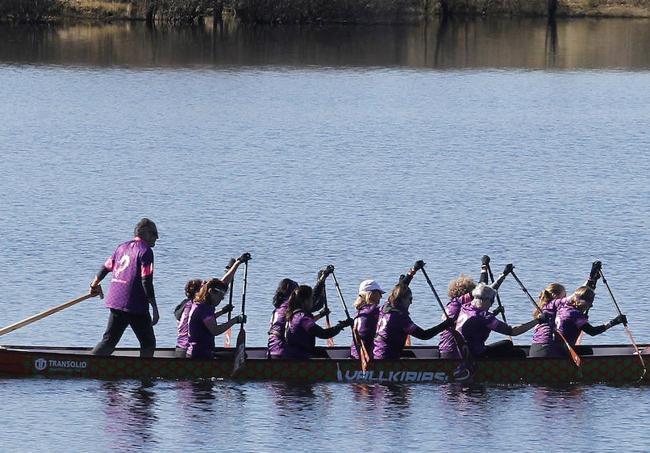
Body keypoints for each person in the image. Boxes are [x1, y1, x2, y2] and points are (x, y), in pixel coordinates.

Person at [90, 218, 160, 357]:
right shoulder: (146, 252)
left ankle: (88, 363)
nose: (156, 238)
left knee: (109, 341)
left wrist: (94, 284)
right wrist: (154, 307)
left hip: (116, 301)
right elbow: (146, 281)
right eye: (154, 234)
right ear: (145, 234)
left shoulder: (122, 247)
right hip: (135, 304)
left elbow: (105, 268)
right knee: (148, 343)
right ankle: (145, 373)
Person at [455, 264, 543, 358]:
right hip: (476, 356)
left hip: (463, 351)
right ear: (486, 300)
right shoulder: (485, 317)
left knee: (507, 344)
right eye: (492, 301)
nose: (492, 304)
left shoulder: (465, 307)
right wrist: (538, 320)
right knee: (519, 353)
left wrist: (504, 275)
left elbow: (486, 291)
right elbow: (513, 331)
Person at [374, 261, 455, 360]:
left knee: (411, 355)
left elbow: (399, 289)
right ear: (403, 299)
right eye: (410, 299)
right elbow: (424, 335)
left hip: (377, 354)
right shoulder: (400, 319)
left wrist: (413, 271)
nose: (411, 303)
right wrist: (445, 324)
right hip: (387, 359)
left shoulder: (385, 308)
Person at [529, 261, 605, 357]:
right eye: (564, 295)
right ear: (554, 295)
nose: (566, 298)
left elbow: (578, 296)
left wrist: (592, 281)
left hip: (535, 348)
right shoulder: (555, 305)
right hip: (549, 349)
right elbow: (576, 296)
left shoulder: (543, 308)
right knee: (587, 351)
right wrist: (590, 279)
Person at [267, 267, 332, 359]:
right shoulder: (290, 306)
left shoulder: (279, 307)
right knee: (320, 352)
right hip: (284, 350)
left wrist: (320, 314)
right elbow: (313, 300)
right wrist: (322, 280)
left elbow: (303, 323)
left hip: (272, 349)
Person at [284, 285, 352, 359]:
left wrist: (321, 314)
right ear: (306, 301)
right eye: (311, 299)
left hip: (292, 353)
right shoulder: (303, 318)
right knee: (323, 355)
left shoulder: (292, 315)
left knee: (321, 352)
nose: (312, 302)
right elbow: (323, 334)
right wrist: (341, 326)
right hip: (301, 356)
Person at [554, 285, 626, 353]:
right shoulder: (576, 315)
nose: (591, 306)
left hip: (553, 347)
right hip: (564, 350)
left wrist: (592, 281)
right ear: (583, 302)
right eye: (590, 302)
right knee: (589, 351)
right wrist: (614, 322)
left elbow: (580, 294)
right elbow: (592, 332)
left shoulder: (563, 307)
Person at [186, 277, 246, 359]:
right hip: (200, 354)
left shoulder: (200, 304)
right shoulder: (204, 309)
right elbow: (215, 330)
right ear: (211, 292)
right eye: (221, 296)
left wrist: (223, 311)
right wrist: (235, 320)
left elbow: (207, 321)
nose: (222, 299)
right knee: (241, 356)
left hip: (198, 351)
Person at [350, 279, 384, 360]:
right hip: (366, 357)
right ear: (372, 294)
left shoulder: (360, 311)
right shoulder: (373, 311)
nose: (381, 296)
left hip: (356, 354)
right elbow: (394, 304)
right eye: (379, 293)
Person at [174, 278, 204, 357]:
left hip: (179, 347)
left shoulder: (182, 305)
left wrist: (221, 312)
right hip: (190, 349)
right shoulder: (195, 306)